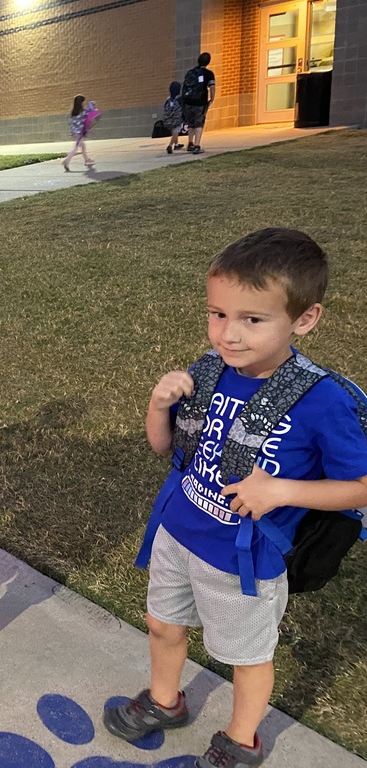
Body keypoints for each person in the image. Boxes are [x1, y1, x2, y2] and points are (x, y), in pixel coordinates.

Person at [103, 228, 367, 768]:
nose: (229, 334)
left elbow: (361, 487)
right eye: (218, 314)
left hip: (245, 560)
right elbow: (165, 449)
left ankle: (241, 740)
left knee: (247, 656)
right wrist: (158, 405)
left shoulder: (323, 401)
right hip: (179, 535)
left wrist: (281, 490)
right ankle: (164, 700)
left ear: (305, 319)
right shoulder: (208, 373)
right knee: (162, 624)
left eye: (253, 319)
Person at [182, 52, 216, 154]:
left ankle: (190, 143)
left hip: (188, 102)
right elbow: (212, 87)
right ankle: (197, 145)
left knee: (191, 123)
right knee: (199, 123)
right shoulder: (208, 74)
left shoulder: (190, 72)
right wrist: (212, 99)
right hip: (200, 102)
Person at [63, 95, 96, 171]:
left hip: (75, 132)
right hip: (79, 133)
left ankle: (87, 160)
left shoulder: (73, 112)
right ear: (81, 103)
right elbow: (92, 113)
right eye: (84, 102)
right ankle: (66, 161)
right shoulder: (83, 112)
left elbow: (71, 123)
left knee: (83, 146)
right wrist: (92, 104)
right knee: (76, 148)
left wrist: (72, 133)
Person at [163, 81, 185, 155]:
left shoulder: (168, 100)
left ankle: (176, 144)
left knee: (174, 130)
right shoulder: (179, 99)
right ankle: (170, 145)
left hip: (169, 119)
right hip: (177, 119)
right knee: (176, 132)